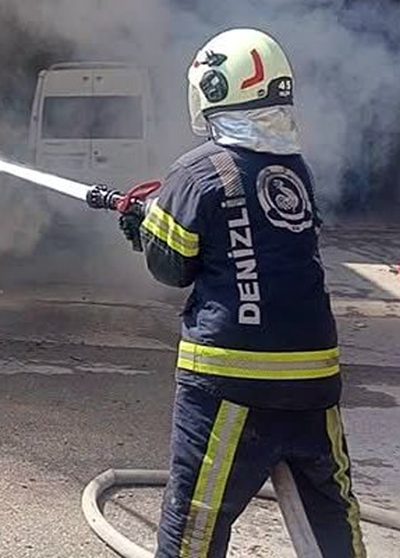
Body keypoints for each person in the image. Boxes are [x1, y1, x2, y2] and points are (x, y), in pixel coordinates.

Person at [121, 28, 366, 558]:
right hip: (314, 377)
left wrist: (145, 229)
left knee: (196, 525)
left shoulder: (195, 170)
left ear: (210, 89)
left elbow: (172, 268)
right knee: (331, 520)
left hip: (230, 379)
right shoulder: (293, 170)